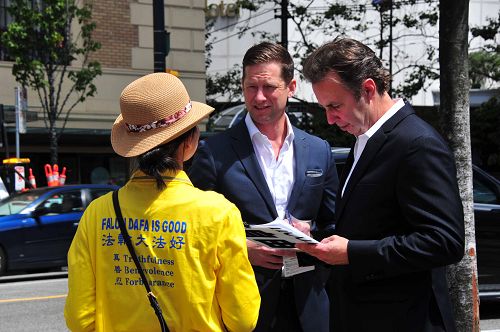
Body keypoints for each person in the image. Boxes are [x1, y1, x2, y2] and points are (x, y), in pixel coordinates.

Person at [64, 72, 260, 332]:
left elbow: (80, 319)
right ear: (190, 142)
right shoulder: (218, 213)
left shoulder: (97, 214)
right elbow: (243, 319)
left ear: (133, 146)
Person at [296, 37, 465, 332]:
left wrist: (352, 253)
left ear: (369, 89)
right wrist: (317, 239)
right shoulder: (366, 138)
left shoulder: (417, 143)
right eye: (324, 107)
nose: (330, 119)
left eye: (335, 105)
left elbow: (445, 242)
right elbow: (369, 225)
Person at [189, 42, 338, 332]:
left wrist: (312, 235)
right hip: (243, 305)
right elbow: (192, 226)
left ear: (291, 86)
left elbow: (333, 222)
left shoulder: (319, 149)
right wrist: (242, 248)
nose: (259, 98)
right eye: (250, 88)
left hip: (308, 304)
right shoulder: (214, 153)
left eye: (269, 87)